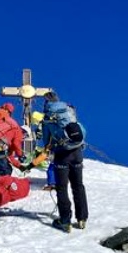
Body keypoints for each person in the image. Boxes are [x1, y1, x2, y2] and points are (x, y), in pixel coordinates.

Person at [41, 91, 88, 232]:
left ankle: (65, 221)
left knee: (62, 188)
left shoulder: (48, 117)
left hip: (62, 154)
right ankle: (82, 219)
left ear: (46, 102)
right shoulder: (69, 110)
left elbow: (46, 139)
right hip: (77, 152)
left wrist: (49, 149)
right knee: (78, 186)